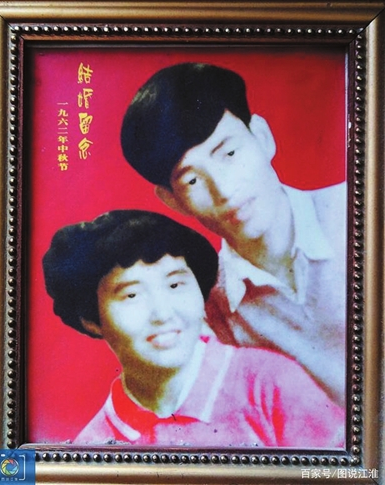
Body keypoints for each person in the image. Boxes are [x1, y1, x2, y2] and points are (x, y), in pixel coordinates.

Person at [120, 62, 346, 406]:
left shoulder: (361, 210)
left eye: (229, 153)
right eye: (192, 180)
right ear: (172, 201)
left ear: (263, 138)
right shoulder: (212, 312)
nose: (224, 190)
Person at [43, 210, 344, 447]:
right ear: (91, 320)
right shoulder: (94, 444)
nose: (163, 314)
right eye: (132, 295)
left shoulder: (270, 385)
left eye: (175, 285)